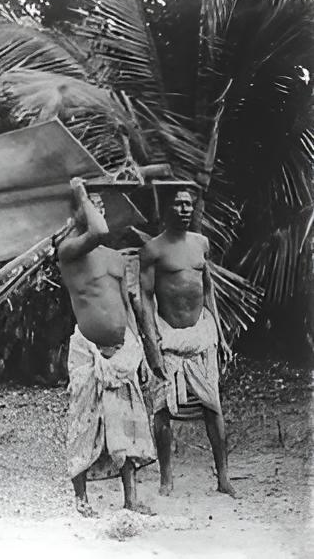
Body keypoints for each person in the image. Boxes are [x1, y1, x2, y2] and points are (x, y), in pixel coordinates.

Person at [57, 178, 156, 517]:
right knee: (84, 423)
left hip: (122, 348)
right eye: (92, 206)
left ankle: (131, 499)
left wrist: (139, 351)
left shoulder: (115, 257)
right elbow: (97, 231)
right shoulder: (68, 251)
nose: (98, 212)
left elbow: (126, 306)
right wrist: (80, 192)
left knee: (126, 422)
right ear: (77, 213)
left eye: (101, 207)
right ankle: (81, 500)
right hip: (88, 351)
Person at [138, 186, 237, 497]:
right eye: (179, 204)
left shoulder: (201, 243)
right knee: (162, 409)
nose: (185, 210)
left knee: (213, 406)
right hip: (167, 338)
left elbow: (208, 290)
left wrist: (220, 335)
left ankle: (223, 478)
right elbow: (145, 298)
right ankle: (166, 479)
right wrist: (151, 343)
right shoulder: (152, 249)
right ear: (167, 208)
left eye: (189, 205)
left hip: (200, 336)